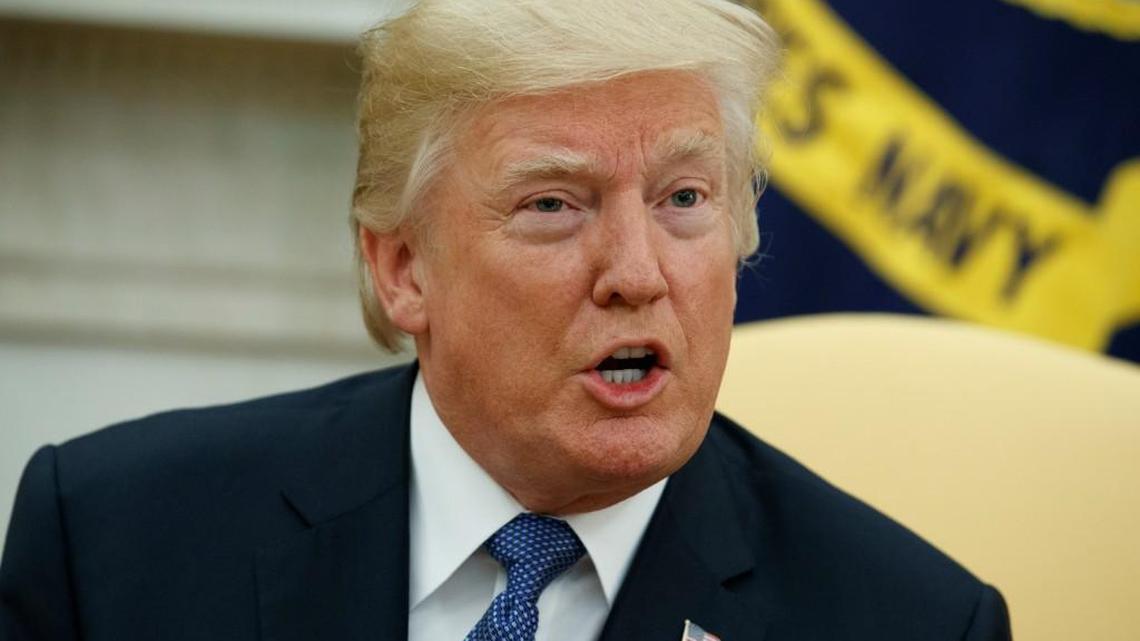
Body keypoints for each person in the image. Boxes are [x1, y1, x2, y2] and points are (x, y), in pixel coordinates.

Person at [0, 1, 1012, 639]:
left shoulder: (913, 621)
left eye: (684, 198)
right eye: (554, 204)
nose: (637, 273)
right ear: (403, 268)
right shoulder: (111, 542)